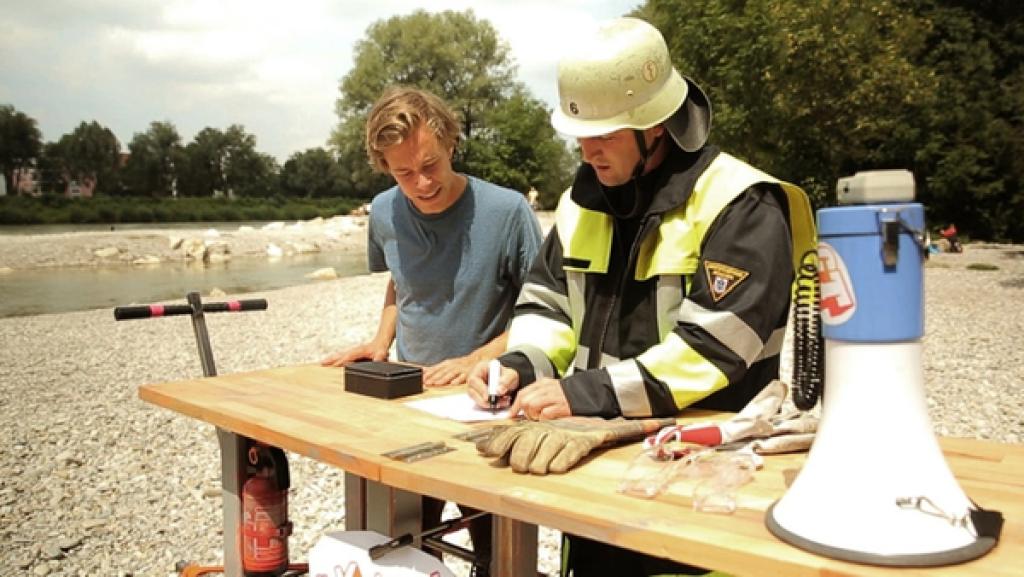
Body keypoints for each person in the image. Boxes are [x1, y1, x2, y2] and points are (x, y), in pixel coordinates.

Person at [467, 17, 816, 577]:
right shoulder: (581, 203)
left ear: (655, 126)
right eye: (580, 134)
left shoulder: (742, 203)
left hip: (706, 478)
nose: (587, 150)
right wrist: (516, 367)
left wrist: (585, 395)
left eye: (603, 134)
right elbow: (545, 305)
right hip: (594, 462)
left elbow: (714, 348)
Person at [321, 86, 543, 575]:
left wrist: (477, 360)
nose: (421, 184)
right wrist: (379, 343)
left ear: (451, 144)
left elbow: (545, 311)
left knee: (496, 551)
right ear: (383, 166)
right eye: (403, 173)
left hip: (489, 404)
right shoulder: (382, 212)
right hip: (409, 402)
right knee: (404, 542)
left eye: (431, 165)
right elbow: (399, 284)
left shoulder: (507, 213)